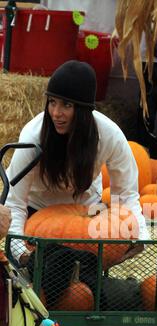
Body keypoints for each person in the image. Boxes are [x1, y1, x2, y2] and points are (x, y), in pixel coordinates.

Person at [5, 60, 149, 266]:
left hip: (84, 214)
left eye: (66, 105)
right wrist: (21, 255)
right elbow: (15, 202)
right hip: (36, 213)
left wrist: (139, 235)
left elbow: (126, 195)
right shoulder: (32, 137)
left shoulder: (110, 136)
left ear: (83, 110)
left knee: (83, 282)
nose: (56, 113)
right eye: (52, 102)